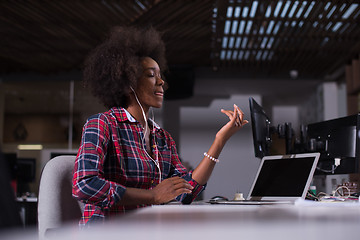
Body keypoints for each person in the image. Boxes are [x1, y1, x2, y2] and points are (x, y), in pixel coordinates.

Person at [72, 26, 248, 227]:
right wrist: (153, 196)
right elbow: (83, 185)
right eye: (150, 75)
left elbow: (185, 193)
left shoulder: (162, 137)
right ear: (127, 82)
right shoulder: (102, 124)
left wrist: (220, 141)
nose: (161, 82)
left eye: (160, 75)